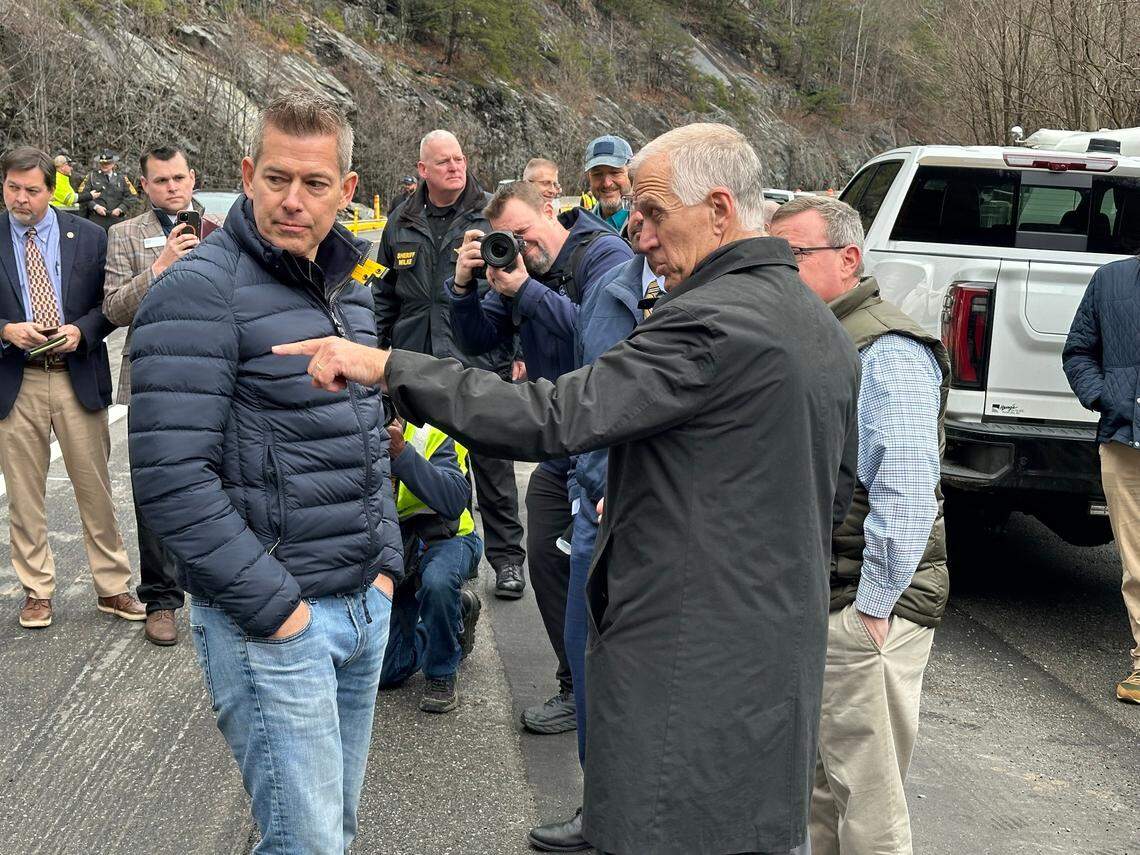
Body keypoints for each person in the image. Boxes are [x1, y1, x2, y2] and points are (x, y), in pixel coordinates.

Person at [274, 122, 860, 855]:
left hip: (688, 677)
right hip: (772, 674)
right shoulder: (819, 324)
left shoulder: (711, 322)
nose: (637, 235)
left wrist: (389, 366)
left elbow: (551, 414)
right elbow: (830, 498)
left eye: (652, 215)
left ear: (717, 210)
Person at [126, 94, 403, 853]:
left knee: (328, 834)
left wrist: (385, 564)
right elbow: (171, 482)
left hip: (360, 610)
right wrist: (278, 609)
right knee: (304, 842)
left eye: (315, 184)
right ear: (247, 175)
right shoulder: (197, 292)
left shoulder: (350, 290)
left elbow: (366, 438)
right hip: (278, 625)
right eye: (276, 177)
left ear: (347, 192)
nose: (292, 200)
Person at [770, 195, 949, 855]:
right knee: (821, 794)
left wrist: (872, 608)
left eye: (793, 255)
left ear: (849, 259)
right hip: (825, 599)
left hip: (865, 610)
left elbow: (904, 495)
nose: (778, 270)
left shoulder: (889, 349)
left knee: (870, 814)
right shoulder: (818, 336)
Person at [449, 179, 632, 735]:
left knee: (590, 568)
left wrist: (525, 289)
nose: (520, 248)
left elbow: (593, 333)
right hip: (559, 439)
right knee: (546, 555)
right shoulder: (515, 267)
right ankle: (574, 684)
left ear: (550, 209)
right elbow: (479, 340)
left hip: (601, 436)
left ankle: (605, 693)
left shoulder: (604, 254)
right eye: (509, 239)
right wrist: (464, 287)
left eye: (525, 234)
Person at [529, 207, 664, 852]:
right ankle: (599, 812)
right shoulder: (616, 289)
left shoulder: (719, 305)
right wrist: (595, 487)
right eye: (640, 207)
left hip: (664, 523)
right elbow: (590, 404)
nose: (642, 221)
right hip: (598, 514)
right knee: (593, 668)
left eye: (658, 210)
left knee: (653, 681)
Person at [373, 130, 528, 604]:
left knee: (491, 462)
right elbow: (382, 290)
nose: (455, 167)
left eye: (459, 159)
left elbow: (519, 285)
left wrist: (519, 350)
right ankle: (417, 554)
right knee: (414, 463)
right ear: (423, 170)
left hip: (477, 359)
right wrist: (378, 353)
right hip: (416, 364)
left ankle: (506, 562)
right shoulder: (401, 220)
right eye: (443, 162)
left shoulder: (489, 214)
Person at [0, 146, 141, 630]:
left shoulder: (87, 236)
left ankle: (112, 587)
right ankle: (37, 592)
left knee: (96, 490)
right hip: (15, 383)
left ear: (50, 189)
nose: (21, 198)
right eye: (13, 188)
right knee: (24, 495)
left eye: (32, 190)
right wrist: (5, 329)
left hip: (75, 376)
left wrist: (83, 330)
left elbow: (112, 305)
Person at [102, 145, 220, 647]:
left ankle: (221, 591)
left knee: (220, 484)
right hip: (152, 374)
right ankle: (162, 600)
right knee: (155, 493)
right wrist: (161, 265)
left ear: (192, 178)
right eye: (161, 180)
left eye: (179, 178)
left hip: (213, 372)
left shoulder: (220, 226)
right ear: (145, 185)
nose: (172, 187)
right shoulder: (124, 234)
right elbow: (111, 309)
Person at [1064, 252, 1140, 705]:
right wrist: (1104, 397)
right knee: (1136, 562)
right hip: (1123, 441)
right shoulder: (1111, 280)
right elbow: (1078, 351)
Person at [378, 413, 484, 713]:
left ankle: (441, 672)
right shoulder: (356, 429)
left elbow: (452, 500)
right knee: (388, 673)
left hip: (448, 537)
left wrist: (401, 454)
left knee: (437, 582)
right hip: (396, 545)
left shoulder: (436, 431)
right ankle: (456, 614)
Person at [583, 135, 633, 233]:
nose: (607, 183)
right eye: (598, 174)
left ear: (631, 174)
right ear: (589, 177)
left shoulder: (648, 225)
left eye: (615, 172)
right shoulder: (579, 228)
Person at [78, 151, 136, 231]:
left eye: (107, 164)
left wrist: (121, 208)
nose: (104, 166)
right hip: (96, 220)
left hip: (116, 221)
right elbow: (82, 195)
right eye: (102, 164)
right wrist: (95, 206)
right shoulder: (91, 176)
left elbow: (132, 196)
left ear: (113, 164)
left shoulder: (121, 178)